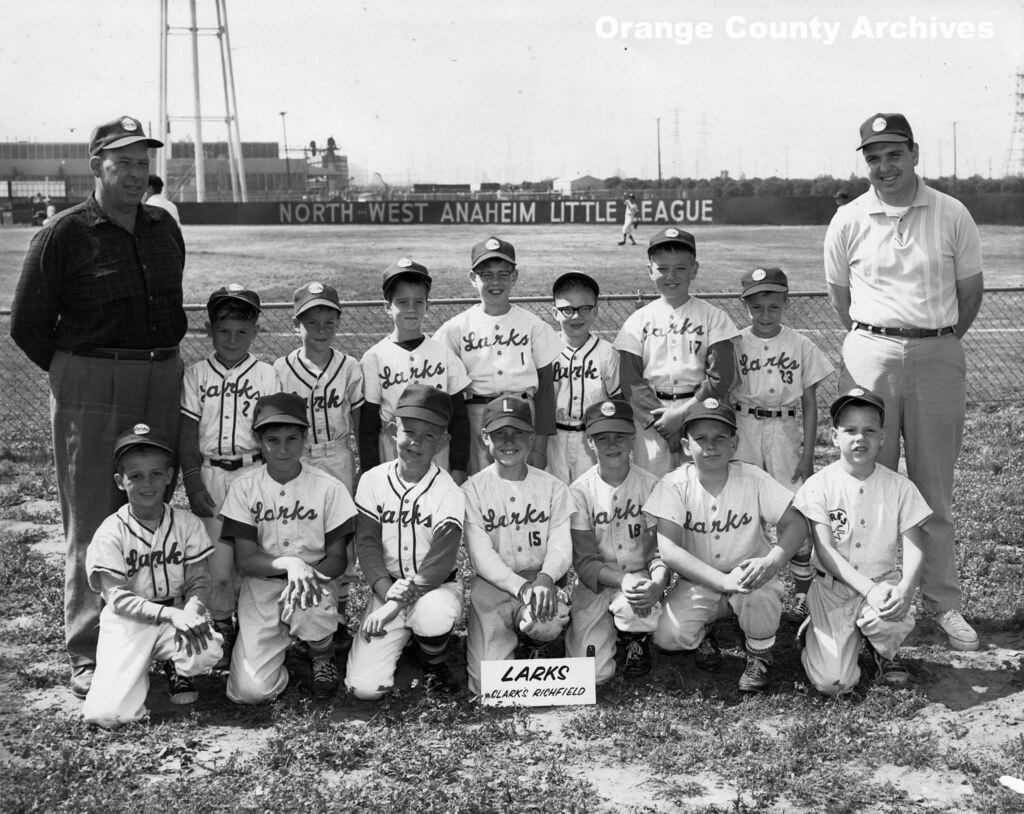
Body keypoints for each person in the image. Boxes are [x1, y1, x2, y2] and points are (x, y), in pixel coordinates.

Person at [10, 115, 186, 700]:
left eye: (143, 163)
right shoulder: (64, 232)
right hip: (91, 376)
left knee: (152, 506)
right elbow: (30, 325)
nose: (136, 174)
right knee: (92, 513)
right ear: (97, 166)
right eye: (123, 163)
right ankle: (89, 648)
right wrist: (79, 374)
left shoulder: (163, 226)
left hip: (160, 373)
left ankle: (152, 636)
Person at [824, 112, 984, 652]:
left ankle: (943, 605)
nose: (884, 166)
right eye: (873, 157)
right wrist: (878, 340)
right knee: (866, 481)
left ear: (914, 153)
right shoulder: (848, 217)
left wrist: (935, 338)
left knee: (932, 488)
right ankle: (866, 597)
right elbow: (839, 297)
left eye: (894, 154)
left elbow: (971, 293)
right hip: (871, 352)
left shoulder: (951, 211)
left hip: (937, 350)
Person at [646, 399, 807, 692]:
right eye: (700, 439)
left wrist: (770, 562)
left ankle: (760, 654)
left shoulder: (753, 478)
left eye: (720, 437)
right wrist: (721, 581)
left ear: (734, 443)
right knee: (667, 637)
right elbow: (668, 550)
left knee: (758, 598)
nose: (711, 446)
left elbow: (797, 524)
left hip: (750, 575)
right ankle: (709, 624)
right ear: (685, 446)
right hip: (701, 580)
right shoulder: (673, 485)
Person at [82, 424, 222, 727]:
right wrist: (172, 616)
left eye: (156, 474)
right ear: (121, 481)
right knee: (108, 715)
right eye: (136, 476)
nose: (148, 483)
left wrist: (193, 611)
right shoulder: (110, 531)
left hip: (176, 614)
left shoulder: (186, 523)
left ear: (170, 476)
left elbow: (199, 580)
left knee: (208, 650)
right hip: (129, 623)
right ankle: (135, 666)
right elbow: (117, 598)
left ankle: (177, 666)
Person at [220, 393, 357, 702]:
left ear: (305, 437)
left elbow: (336, 560)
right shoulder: (244, 488)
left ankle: (321, 654)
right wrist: (289, 565)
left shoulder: (328, 487)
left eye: (291, 438)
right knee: (249, 692)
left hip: (315, 584)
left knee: (308, 605)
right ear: (258, 440)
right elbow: (246, 560)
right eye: (272, 439)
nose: (282, 449)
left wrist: (306, 574)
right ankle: (286, 651)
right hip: (263, 587)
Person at [794, 387, 931, 695]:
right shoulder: (819, 485)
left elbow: (915, 545)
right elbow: (825, 550)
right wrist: (867, 591)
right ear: (833, 436)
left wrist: (906, 589)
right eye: (850, 430)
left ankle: (883, 650)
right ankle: (816, 636)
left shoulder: (899, 486)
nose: (860, 438)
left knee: (890, 616)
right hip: (833, 590)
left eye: (870, 430)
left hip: (881, 581)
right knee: (834, 684)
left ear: (883, 436)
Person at [179, 285, 280, 667]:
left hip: (253, 473)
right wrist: (192, 480)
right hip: (211, 476)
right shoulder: (196, 375)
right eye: (224, 331)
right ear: (209, 330)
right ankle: (221, 628)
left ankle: (258, 630)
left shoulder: (267, 375)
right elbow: (186, 432)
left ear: (256, 330)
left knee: (253, 560)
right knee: (217, 567)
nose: (233, 339)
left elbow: (276, 433)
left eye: (242, 331)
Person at [346, 385, 466, 699]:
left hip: (435, 588)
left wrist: (391, 609)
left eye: (429, 435)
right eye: (409, 430)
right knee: (364, 688)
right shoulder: (372, 480)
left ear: (443, 442)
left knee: (432, 613)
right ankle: (411, 638)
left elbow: (437, 567)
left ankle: (433, 656)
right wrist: (386, 594)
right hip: (387, 586)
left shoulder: (449, 491)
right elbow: (368, 546)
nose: (416, 442)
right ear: (391, 430)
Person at [732, 267, 834, 621]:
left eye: (773, 306)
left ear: (785, 303)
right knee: (745, 500)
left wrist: (807, 455)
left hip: (785, 427)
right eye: (756, 307)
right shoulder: (735, 342)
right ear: (745, 306)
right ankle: (746, 581)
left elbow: (809, 403)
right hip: (744, 424)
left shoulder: (799, 344)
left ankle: (803, 590)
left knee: (793, 505)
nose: (765, 315)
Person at [462, 396, 573, 697]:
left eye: (518, 432)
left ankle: (537, 642)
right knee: (487, 687)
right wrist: (522, 589)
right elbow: (481, 557)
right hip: (494, 586)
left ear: (532, 437)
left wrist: (545, 579)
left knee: (545, 623)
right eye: (500, 433)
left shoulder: (553, 487)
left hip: (541, 579)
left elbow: (562, 546)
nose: (509, 440)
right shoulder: (472, 490)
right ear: (485, 437)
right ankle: (516, 635)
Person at [274, 281, 364, 636]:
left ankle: (337, 612)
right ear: (297, 325)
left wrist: (364, 465)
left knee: (338, 533)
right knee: (301, 530)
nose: (321, 330)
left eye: (329, 322)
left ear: (339, 323)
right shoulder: (281, 369)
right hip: (299, 457)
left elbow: (358, 419)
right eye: (312, 322)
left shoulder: (349, 366)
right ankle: (303, 606)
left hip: (338, 453)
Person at [614, 227, 739, 478]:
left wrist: (682, 415)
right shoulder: (638, 320)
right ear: (649, 271)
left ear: (694, 270)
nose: (671, 276)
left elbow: (720, 376)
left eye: (681, 268)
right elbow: (630, 381)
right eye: (662, 268)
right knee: (652, 486)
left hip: (700, 412)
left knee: (697, 486)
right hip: (652, 418)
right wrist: (662, 422)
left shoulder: (713, 317)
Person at [432, 237, 561, 474]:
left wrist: (540, 447)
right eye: (486, 274)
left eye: (503, 274)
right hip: (476, 415)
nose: (495, 282)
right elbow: (446, 389)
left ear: (514, 277)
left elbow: (545, 392)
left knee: (524, 485)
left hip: (524, 412)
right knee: (479, 486)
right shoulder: (455, 328)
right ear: (473, 278)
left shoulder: (533, 325)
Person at [564, 400, 667, 683]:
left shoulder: (651, 486)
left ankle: (636, 637)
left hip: (639, 576)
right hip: (594, 583)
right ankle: (607, 628)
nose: (612, 444)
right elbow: (584, 563)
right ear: (589, 443)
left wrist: (657, 583)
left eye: (619, 436)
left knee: (631, 606)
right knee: (591, 675)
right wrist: (622, 580)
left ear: (633, 438)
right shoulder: (579, 492)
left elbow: (659, 552)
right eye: (602, 438)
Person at [358, 258, 471, 482]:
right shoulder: (375, 357)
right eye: (402, 302)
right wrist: (369, 471)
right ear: (386, 307)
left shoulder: (443, 353)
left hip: (438, 447)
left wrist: (458, 467)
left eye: (418, 302)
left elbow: (459, 417)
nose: (411, 309)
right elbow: (368, 424)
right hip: (392, 447)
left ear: (428, 305)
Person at [547, 272, 621, 485]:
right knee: (556, 495)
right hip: (554, 437)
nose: (576, 316)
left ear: (595, 311)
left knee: (589, 496)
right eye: (567, 309)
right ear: (555, 313)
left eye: (584, 308)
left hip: (591, 437)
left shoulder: (607, 353)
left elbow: (618, 400)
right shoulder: (545, 350)